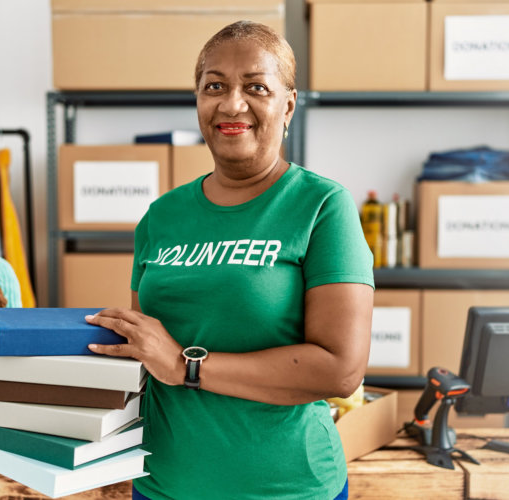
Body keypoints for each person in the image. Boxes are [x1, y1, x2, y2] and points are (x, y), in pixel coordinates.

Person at [84, 20, 375, 500]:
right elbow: (146, 356)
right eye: (213, 86)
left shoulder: (322, 206)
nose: (231, 104)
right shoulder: (161, 217)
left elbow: (340, 370)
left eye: (255, 87)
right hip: (161, 487)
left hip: (286, 489)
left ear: (288, 105)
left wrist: (187, 365)